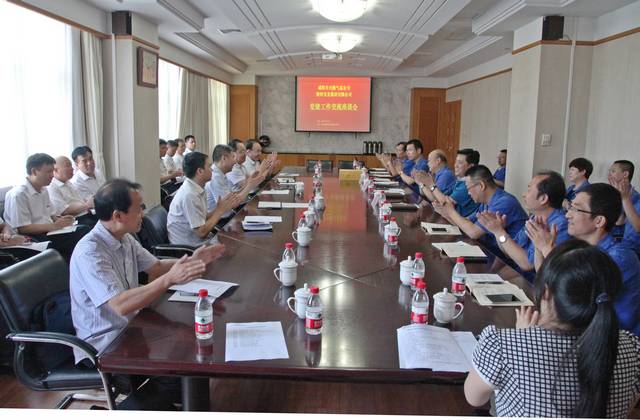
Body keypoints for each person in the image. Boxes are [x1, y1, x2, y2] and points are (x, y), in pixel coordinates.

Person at [70, 179, 226, 410]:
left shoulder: (124, 238)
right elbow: (120, 304)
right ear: (118, 215)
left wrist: (193, 260)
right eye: (138, 208)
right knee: (183, 371)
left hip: (133, 326)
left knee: (190, 356)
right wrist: (169, 279)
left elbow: (156, 267)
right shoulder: (90, 252)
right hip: (105, 343)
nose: (143, 213)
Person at [465, 239, 640, 417]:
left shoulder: (502, 345)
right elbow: (626, 407)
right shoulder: (633, 348)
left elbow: (474, 398)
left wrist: (524, 337)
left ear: (546, 293)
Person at [531, 183, 640, 335]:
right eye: (570, 207)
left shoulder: (620, 257)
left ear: (599, 221)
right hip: (583, 328)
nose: (567, 215)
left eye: (576, 209)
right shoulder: (578, 247)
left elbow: (572, 290)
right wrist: (538, 247)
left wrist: (546, 248)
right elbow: (546, 281)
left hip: (614, 336)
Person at [477, 171, 570, 280]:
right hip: (518, 274)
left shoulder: (559, 225)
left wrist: (499, 232)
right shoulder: (534, 218)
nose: (524, 194)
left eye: (529, 190)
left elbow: (526, 264)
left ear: (543, 199)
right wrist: (498, 231)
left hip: (532, 283)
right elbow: (509, 252)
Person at [3, 153, 90, 262]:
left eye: (52, 171)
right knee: (80, 235)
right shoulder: (18, 194)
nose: (52, 175)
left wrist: (62, 220)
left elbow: (52, 215)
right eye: (48, 172)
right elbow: (23, 228)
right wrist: (54, 226)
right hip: (30, 238)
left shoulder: (43, 189)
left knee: (83, 229)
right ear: (34, 171)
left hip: (49, 231)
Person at [433, 165, 527, 256]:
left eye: (468, 188)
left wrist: (451, 212)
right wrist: (446, 214)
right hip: (490, 252)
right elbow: (466, 223)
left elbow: (473, 232)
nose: (468, 193)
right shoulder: (486, 202)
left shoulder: (504, 202)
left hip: (508, 260)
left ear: (481, 185)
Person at [167, 152, 242, 246]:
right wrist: (220, 211)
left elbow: (202, 218)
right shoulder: (189, 195)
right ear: (200, 171)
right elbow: (201, 232)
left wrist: (218, 208)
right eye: (209, 166)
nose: (212, 169)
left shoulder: (197, 187)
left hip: (201, 241)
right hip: (189, 247)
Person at [414, 148, 479, 216]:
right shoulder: (459, 180)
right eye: (456, 162)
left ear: (471, 166)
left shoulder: (466, 184)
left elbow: (444, 202)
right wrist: (424, 183)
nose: (455, 165)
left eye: (460, 163)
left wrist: (429, 184)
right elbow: (439, 199)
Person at [205, 145, 264, 215]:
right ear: (224, 158)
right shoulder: (216, 177)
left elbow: (233, 196)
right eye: (233, 157)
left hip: (229, 215)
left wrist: (249, 184)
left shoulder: (221, 173)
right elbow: (232, 204)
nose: (235, 161)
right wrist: (250, 186)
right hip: (222, 220)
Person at [47, 156, 97, 226]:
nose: (72, 168)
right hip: (75, 221)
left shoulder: (69, 183)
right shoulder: (52, 187)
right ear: (55, 170)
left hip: (87, 214)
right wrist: (87, 205)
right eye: (68, 166)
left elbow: (81, 201)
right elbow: (64, 211)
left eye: (71, 165)